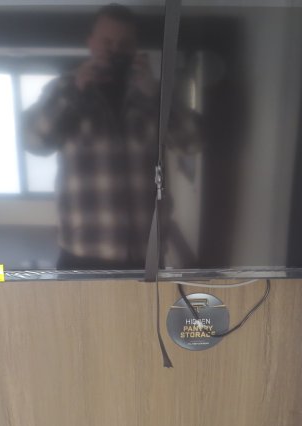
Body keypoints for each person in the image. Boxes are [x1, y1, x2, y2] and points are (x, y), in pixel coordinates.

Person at [24, 4, 197, 270]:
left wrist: (155, 97)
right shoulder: (63, 88)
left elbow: (193, 142)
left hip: (145, 253)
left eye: (124, 44)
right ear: (91, 43)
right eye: (107, 43)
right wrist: (73, 93)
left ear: (135, 47)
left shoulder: (154, 92)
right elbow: (34, 142)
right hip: (82, 251)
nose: (115, 50)